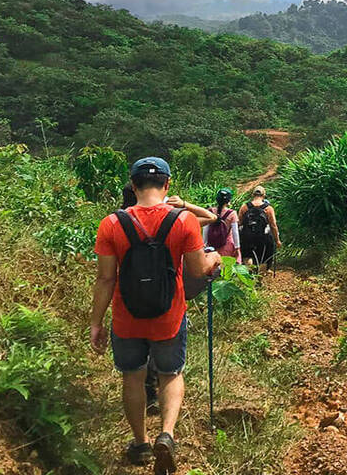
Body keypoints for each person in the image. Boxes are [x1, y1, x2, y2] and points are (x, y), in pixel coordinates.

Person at [91, 157, 221, 474]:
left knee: (132, 376)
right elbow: (196, 270)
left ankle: (140, 443)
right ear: (167, 184)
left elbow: (106, 278)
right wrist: (213, 259)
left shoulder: (111, 223)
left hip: (126, 318)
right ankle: (167, 434)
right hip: (169, 316)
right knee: (170, 374)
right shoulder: (183, 221)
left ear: (133, 185)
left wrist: (95, 322)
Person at [238, 186, 280, 271]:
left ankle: (249, 278)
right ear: (264, 195)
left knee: (248, 256)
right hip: (263, 237)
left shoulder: (244, 207)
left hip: (247, 237)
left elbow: (239, 223)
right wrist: (277, 240)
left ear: (253, 194)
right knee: (263, 259)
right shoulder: (268, 209)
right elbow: (273, 226)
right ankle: (259, 280)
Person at [204, 188, 241, 260]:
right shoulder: (232, 214)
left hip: (212, 246)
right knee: (226, 267)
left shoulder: (210, 211)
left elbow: (206, 229)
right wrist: (237, 247)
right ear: (228, 201)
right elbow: (235, 232)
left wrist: (204, 244)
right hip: (226, 245)